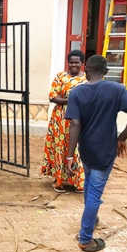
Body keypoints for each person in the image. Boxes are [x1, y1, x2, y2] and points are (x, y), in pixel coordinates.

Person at [66, 55, 127, 252]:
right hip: (105, 151)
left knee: (89, 183)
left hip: (86, 150)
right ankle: (85, 238)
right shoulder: (116, 89)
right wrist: (122, 138)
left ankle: (91, 218)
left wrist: (69, 155)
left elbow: (75, 124)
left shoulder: (76, 93)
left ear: (86, 70)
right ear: (105, 71)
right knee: (94, 191)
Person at [41, 49, 87, 193]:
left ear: (82, 63)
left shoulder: (86, 79)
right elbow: (53, 97)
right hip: (61, 119)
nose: (73, 65)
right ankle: (59, 180)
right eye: (71, 62)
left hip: (80, 118)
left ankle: (78, 181)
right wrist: (72, 100)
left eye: (77, 62)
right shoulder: (60, 77)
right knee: (60, 147)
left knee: (78, 149)